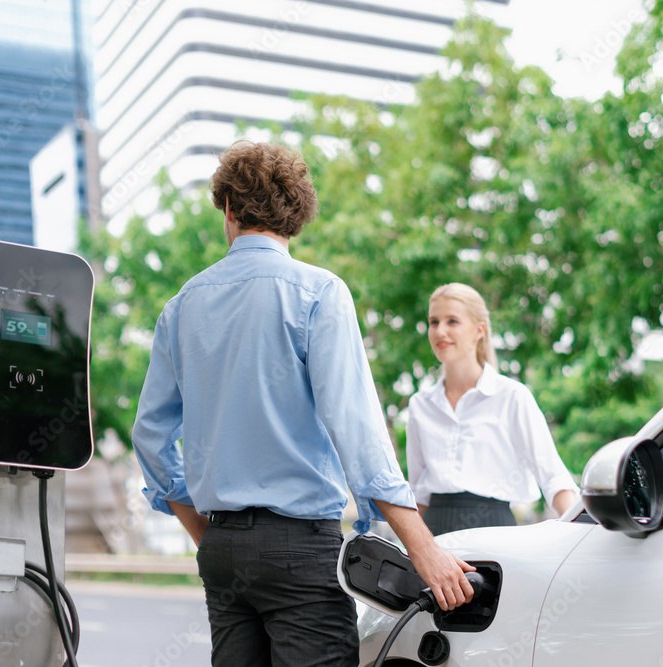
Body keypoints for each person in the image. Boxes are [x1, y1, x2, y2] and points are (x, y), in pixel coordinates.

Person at [131, 140, 474, 667]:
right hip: (297, 551)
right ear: (296, 214)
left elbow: (151, 438)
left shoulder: (181, 307)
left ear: (227, 208)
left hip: (221, 552)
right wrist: (423, 548)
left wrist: (206, 533)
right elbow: (356, 431)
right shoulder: (318, 293)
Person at [407, 283, 578, 536]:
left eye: (452, 321)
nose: (440, 331)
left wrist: (580, 536)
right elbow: (418, 493)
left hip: (495, 535)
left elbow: (553, 477)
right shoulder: (420, 404)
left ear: (479, 330)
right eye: (434, 322)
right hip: (434, 537)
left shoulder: (512, 397)